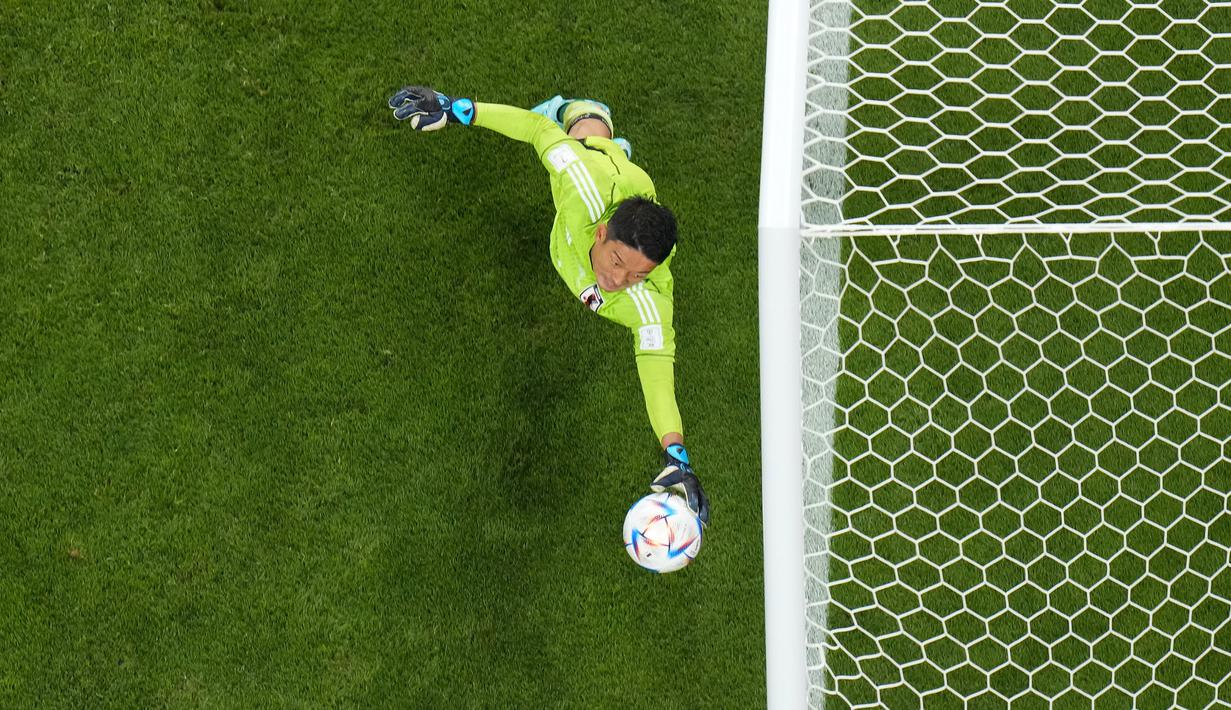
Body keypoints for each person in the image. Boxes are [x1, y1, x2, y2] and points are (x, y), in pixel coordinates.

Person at [388, 86, 710, 525]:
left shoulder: (650, 302)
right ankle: (590, 119)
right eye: (617, 262)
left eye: (636, 274)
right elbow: (539, 130)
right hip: (598, 174)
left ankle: (618, 155)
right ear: (600, 234)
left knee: (621, 171)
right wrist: (459, 110)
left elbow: (657, 374)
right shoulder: (581, 188)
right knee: (585, 137)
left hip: (613, 204)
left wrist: (677, 454)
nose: (618, 281)